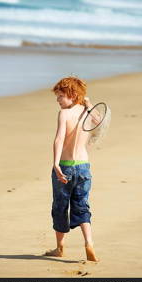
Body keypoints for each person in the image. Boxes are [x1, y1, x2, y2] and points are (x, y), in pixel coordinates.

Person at [44, 76, 99, 262]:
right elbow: (99, 120)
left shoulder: (64, 114)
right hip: (83, 167)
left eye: (60, 96)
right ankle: (89, 243)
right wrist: (89, 104)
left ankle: (60, 248)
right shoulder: (87, 112)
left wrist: (56, 163)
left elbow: (59, 139)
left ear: (73, 95)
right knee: (82, 206)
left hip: (66, 167)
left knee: (60, 207)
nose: (58, 100)